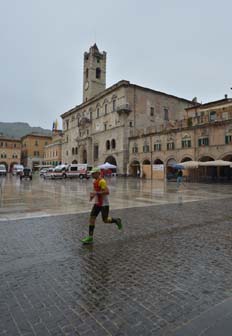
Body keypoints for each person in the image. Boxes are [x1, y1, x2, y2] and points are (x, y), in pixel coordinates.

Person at [81, 167, 122, 244]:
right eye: (92, 173)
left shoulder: (102, 181)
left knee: (105, 220)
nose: (92, 175)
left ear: (98, 173)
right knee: (92, 219)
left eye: (93, 173)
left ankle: (117, 220)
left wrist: (96, 193)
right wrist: (92, 196)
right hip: (97, 203)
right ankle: (90, 237)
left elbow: (107, 192)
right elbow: (96, 191)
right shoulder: (95, 181)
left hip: (104, 204)